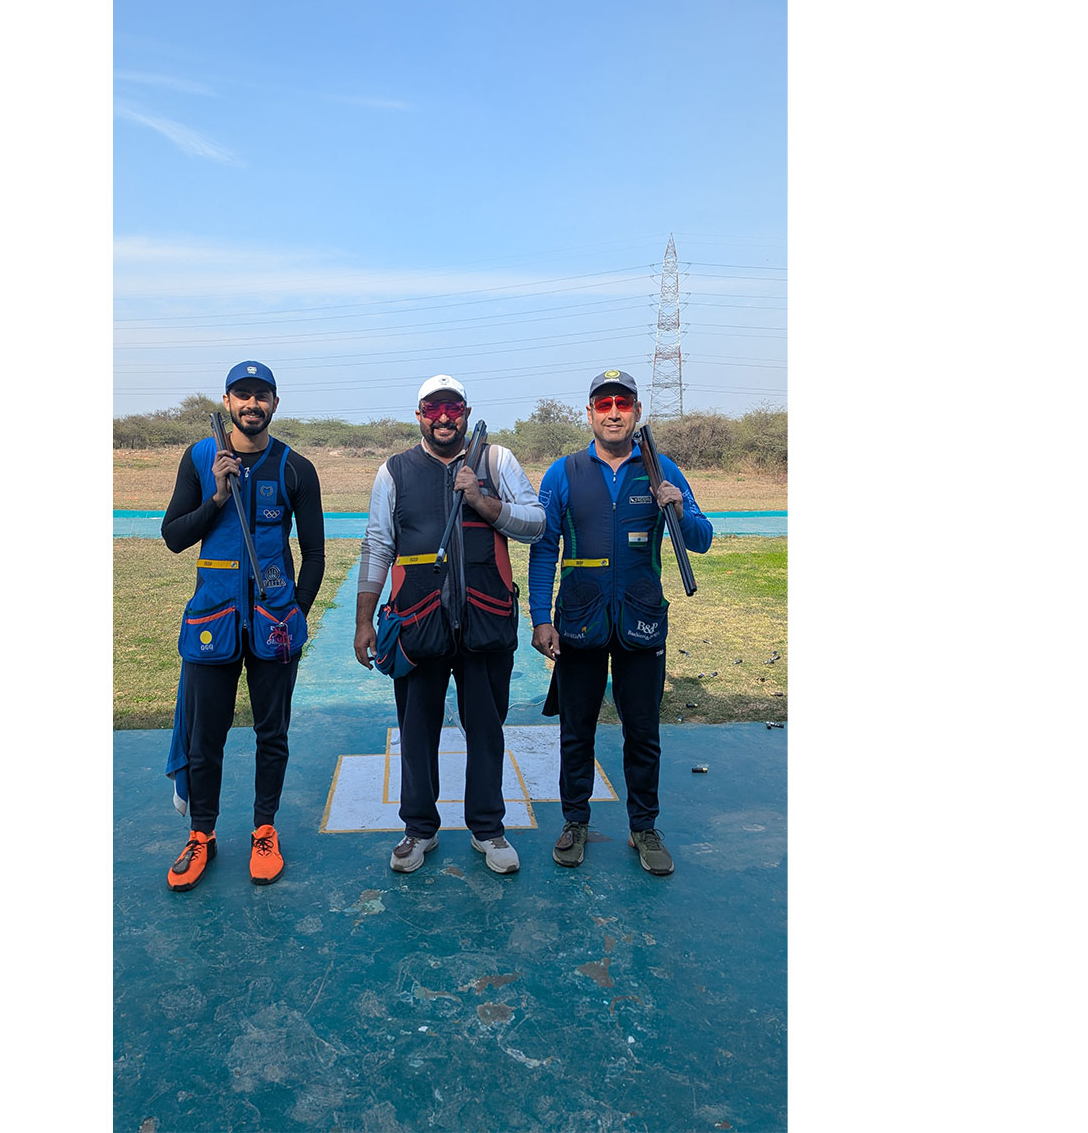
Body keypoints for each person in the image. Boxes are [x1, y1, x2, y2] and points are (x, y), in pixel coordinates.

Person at [353, 375, 544, 875]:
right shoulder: (394, 471)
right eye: (433, 408)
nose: (443, 417)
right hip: (417, 624)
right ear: (419, 415)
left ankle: (488, 829)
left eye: (452, 408)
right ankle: (419, 829)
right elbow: (378, 544)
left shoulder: (496, 461)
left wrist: (481, 499)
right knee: (417, 734)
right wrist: (364, 620)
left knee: (487, 732)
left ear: (466, 413)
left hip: (486, 621)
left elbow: (536, 523)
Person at [527, 369, 713, 876]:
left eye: (623, 404)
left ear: (636, 411)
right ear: (589, 413)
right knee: (576, 731)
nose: (614, 413)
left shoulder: (662, 468)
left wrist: (678, 508)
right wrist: (541, 618)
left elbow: (701, 539)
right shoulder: (562, 473)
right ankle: (575, 822)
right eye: (604, 404)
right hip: (578, 620)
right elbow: (544, 550)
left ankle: (643, 827)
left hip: (642, 619)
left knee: (643, 732)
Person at [161, 361, 325, 891]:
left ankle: (264, 830)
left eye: (262, 395)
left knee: (271, 733)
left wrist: (296, 611)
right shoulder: (200, 458)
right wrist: (216, 497)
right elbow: (174, 536)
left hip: (273, 625)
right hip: (212, 621)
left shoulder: (296, 468)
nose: (252, 404)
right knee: (204, 737)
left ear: (275, 403)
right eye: (242, 394)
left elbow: (315, 554)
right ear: (227, 400)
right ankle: (201, 834)